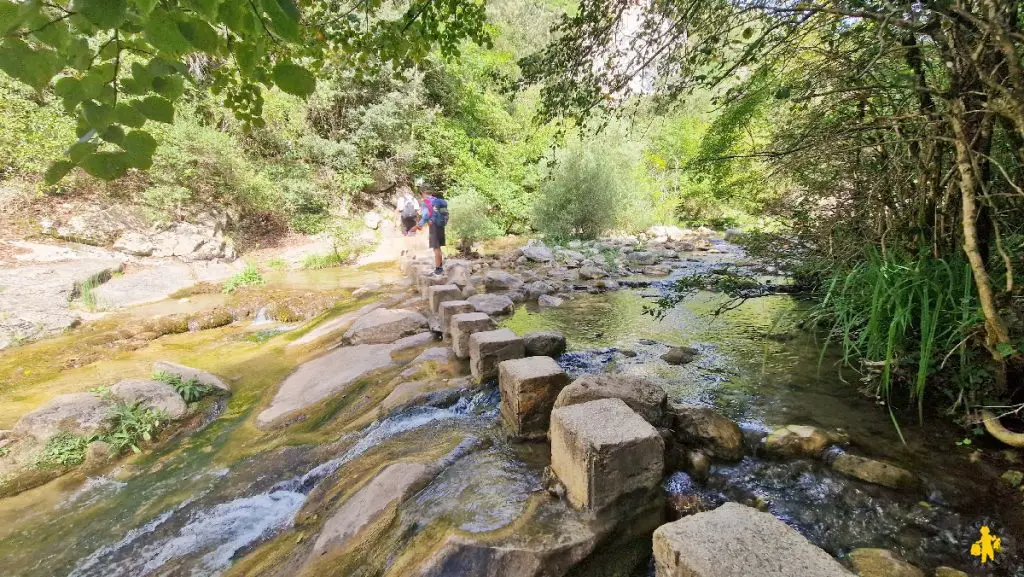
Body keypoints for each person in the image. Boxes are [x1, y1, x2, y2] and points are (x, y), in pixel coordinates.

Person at [412, 182, 448, 275]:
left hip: (434, 226)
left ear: (423, 193)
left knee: (436, 248)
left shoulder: (427, 202)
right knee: (438, 247)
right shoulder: (437, 200)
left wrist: (418, 226)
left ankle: (438, 269)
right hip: (441, 225)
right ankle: (440, 267)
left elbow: (426, 216)